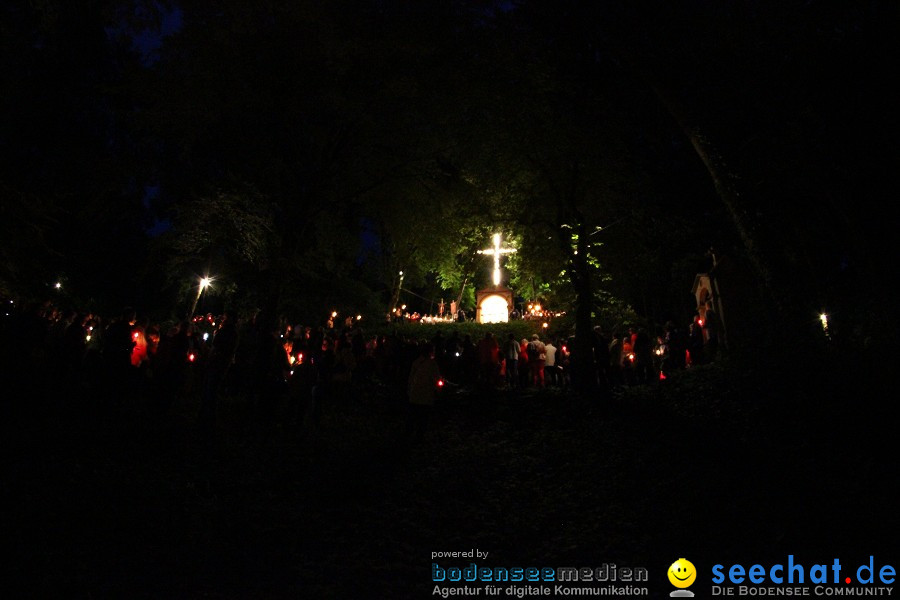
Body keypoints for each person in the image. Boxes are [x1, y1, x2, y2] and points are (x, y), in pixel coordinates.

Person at [406, 342, 441, 440]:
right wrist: (438, 390)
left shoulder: (417, 362)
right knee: (423, 418)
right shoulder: (432, 364)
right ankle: (419, 437)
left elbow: (410, 378)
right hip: (426, 396)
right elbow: (437, 379)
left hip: (414, 395)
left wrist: (409, 391)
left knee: (413, 416)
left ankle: (409, 434)